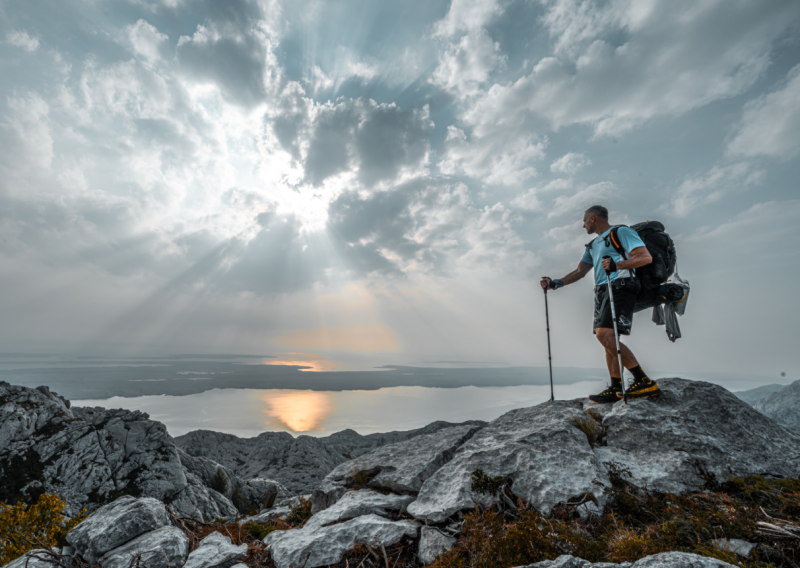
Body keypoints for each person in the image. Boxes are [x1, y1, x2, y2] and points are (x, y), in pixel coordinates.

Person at [540, 205, 661, 402]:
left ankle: (644, 381)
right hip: (603, 290)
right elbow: (579, 272)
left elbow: (644, 257)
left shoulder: (621, 232)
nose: (583, 225)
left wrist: (617, 265)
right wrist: (555, 283)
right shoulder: (593, 244)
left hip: (622, 285)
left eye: (584, 221)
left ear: (593, 218)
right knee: (608, 340)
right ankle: (616, 388)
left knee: (603, 334)